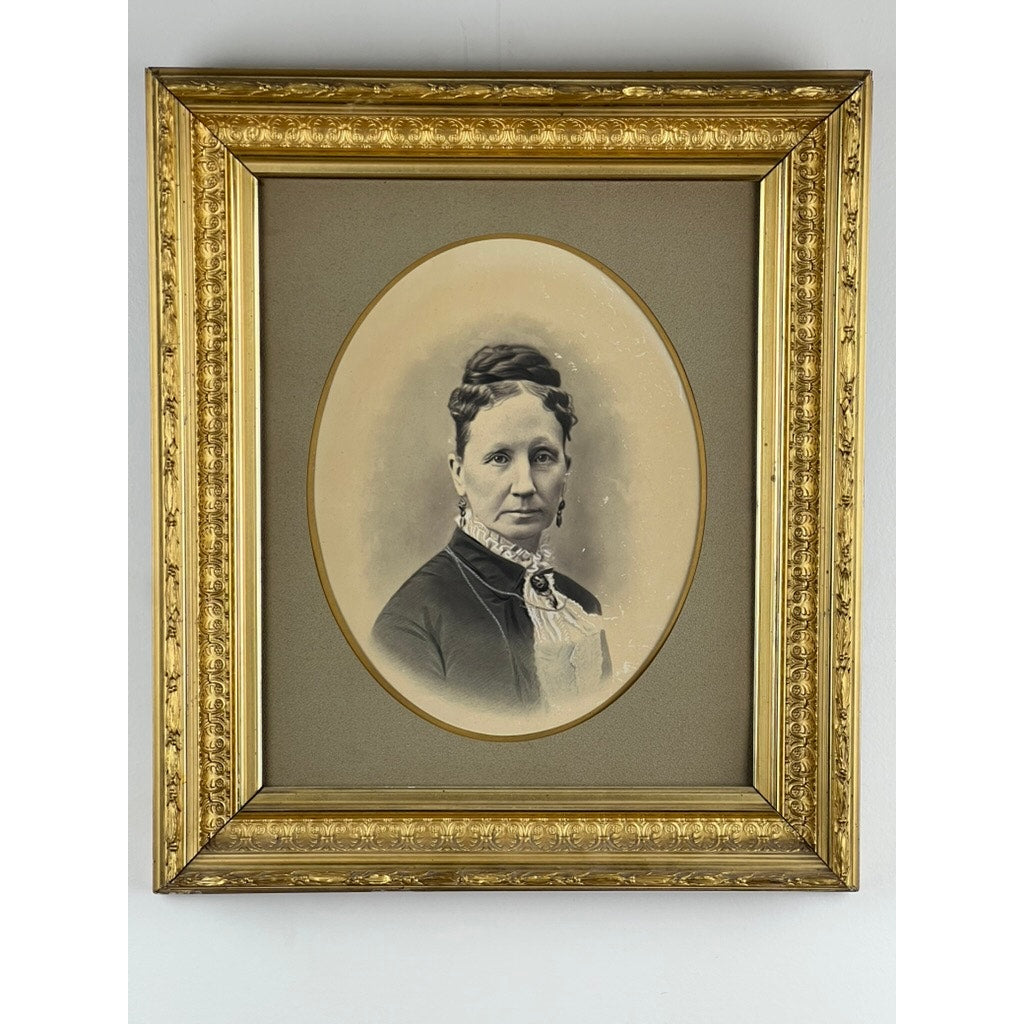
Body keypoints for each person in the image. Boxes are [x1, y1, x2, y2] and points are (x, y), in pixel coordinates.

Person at [372, 343, 611, 717]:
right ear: (458, 472)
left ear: (566, 469)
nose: (525, 485)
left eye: (542, 456)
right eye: (499, 458)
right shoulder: (412, 621)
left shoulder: (580, 606)